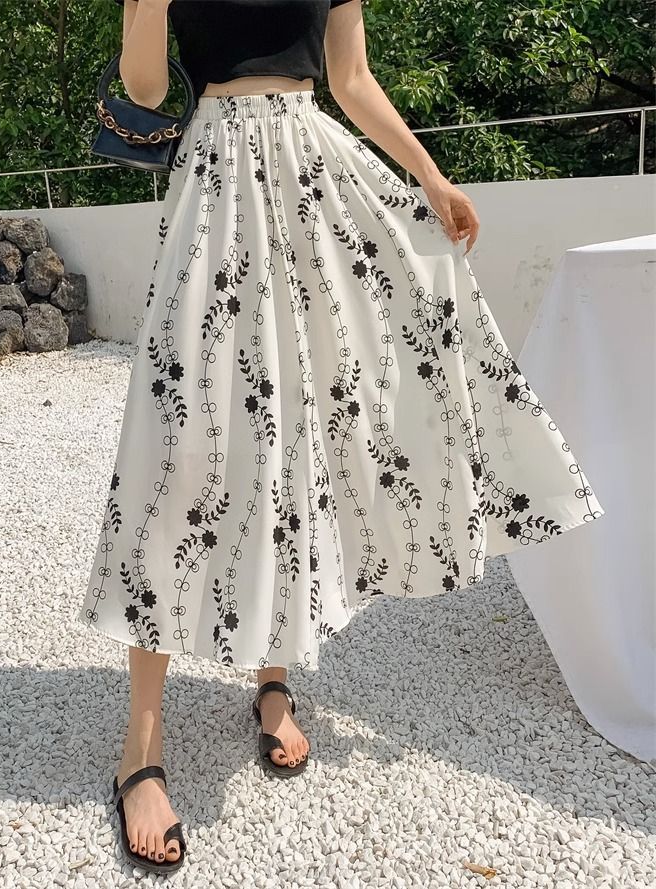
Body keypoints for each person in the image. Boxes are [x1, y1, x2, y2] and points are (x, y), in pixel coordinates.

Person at [79, 0, 605, 874]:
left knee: (303, 431)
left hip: (313, 173)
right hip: (217, 179)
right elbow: (144, 89)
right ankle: (141, 742)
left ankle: (274, 676)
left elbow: (351, 80)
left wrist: (430, 176)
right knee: (184, 446)